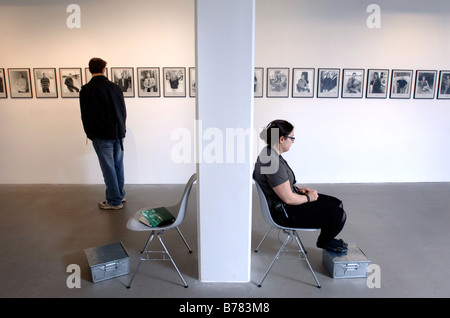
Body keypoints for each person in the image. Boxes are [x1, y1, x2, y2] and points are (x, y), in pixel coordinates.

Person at [253, 120, 348, 253]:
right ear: (281, 139)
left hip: (284, 203)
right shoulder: (272, 162)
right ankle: (324, 241)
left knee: (337, 204)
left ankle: (327, 239)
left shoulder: (270, 153)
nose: (293, 141)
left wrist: (298, 190)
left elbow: (281, 183)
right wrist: (308, 198)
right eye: (292, 138)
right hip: (285, 213)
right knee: (338, 215)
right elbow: (288, 199)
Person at [79, 57, 127, 210]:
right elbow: (123, 111)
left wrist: (90, 134)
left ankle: (114, 201)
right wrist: (122, 129)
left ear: (89, 70)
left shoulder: (86, 90)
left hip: (101, 135)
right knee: (118, 165)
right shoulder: (115, 87)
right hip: (118, 133)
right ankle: (120, 194)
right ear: (104, 69)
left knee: (108, 169)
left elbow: (85, 115)